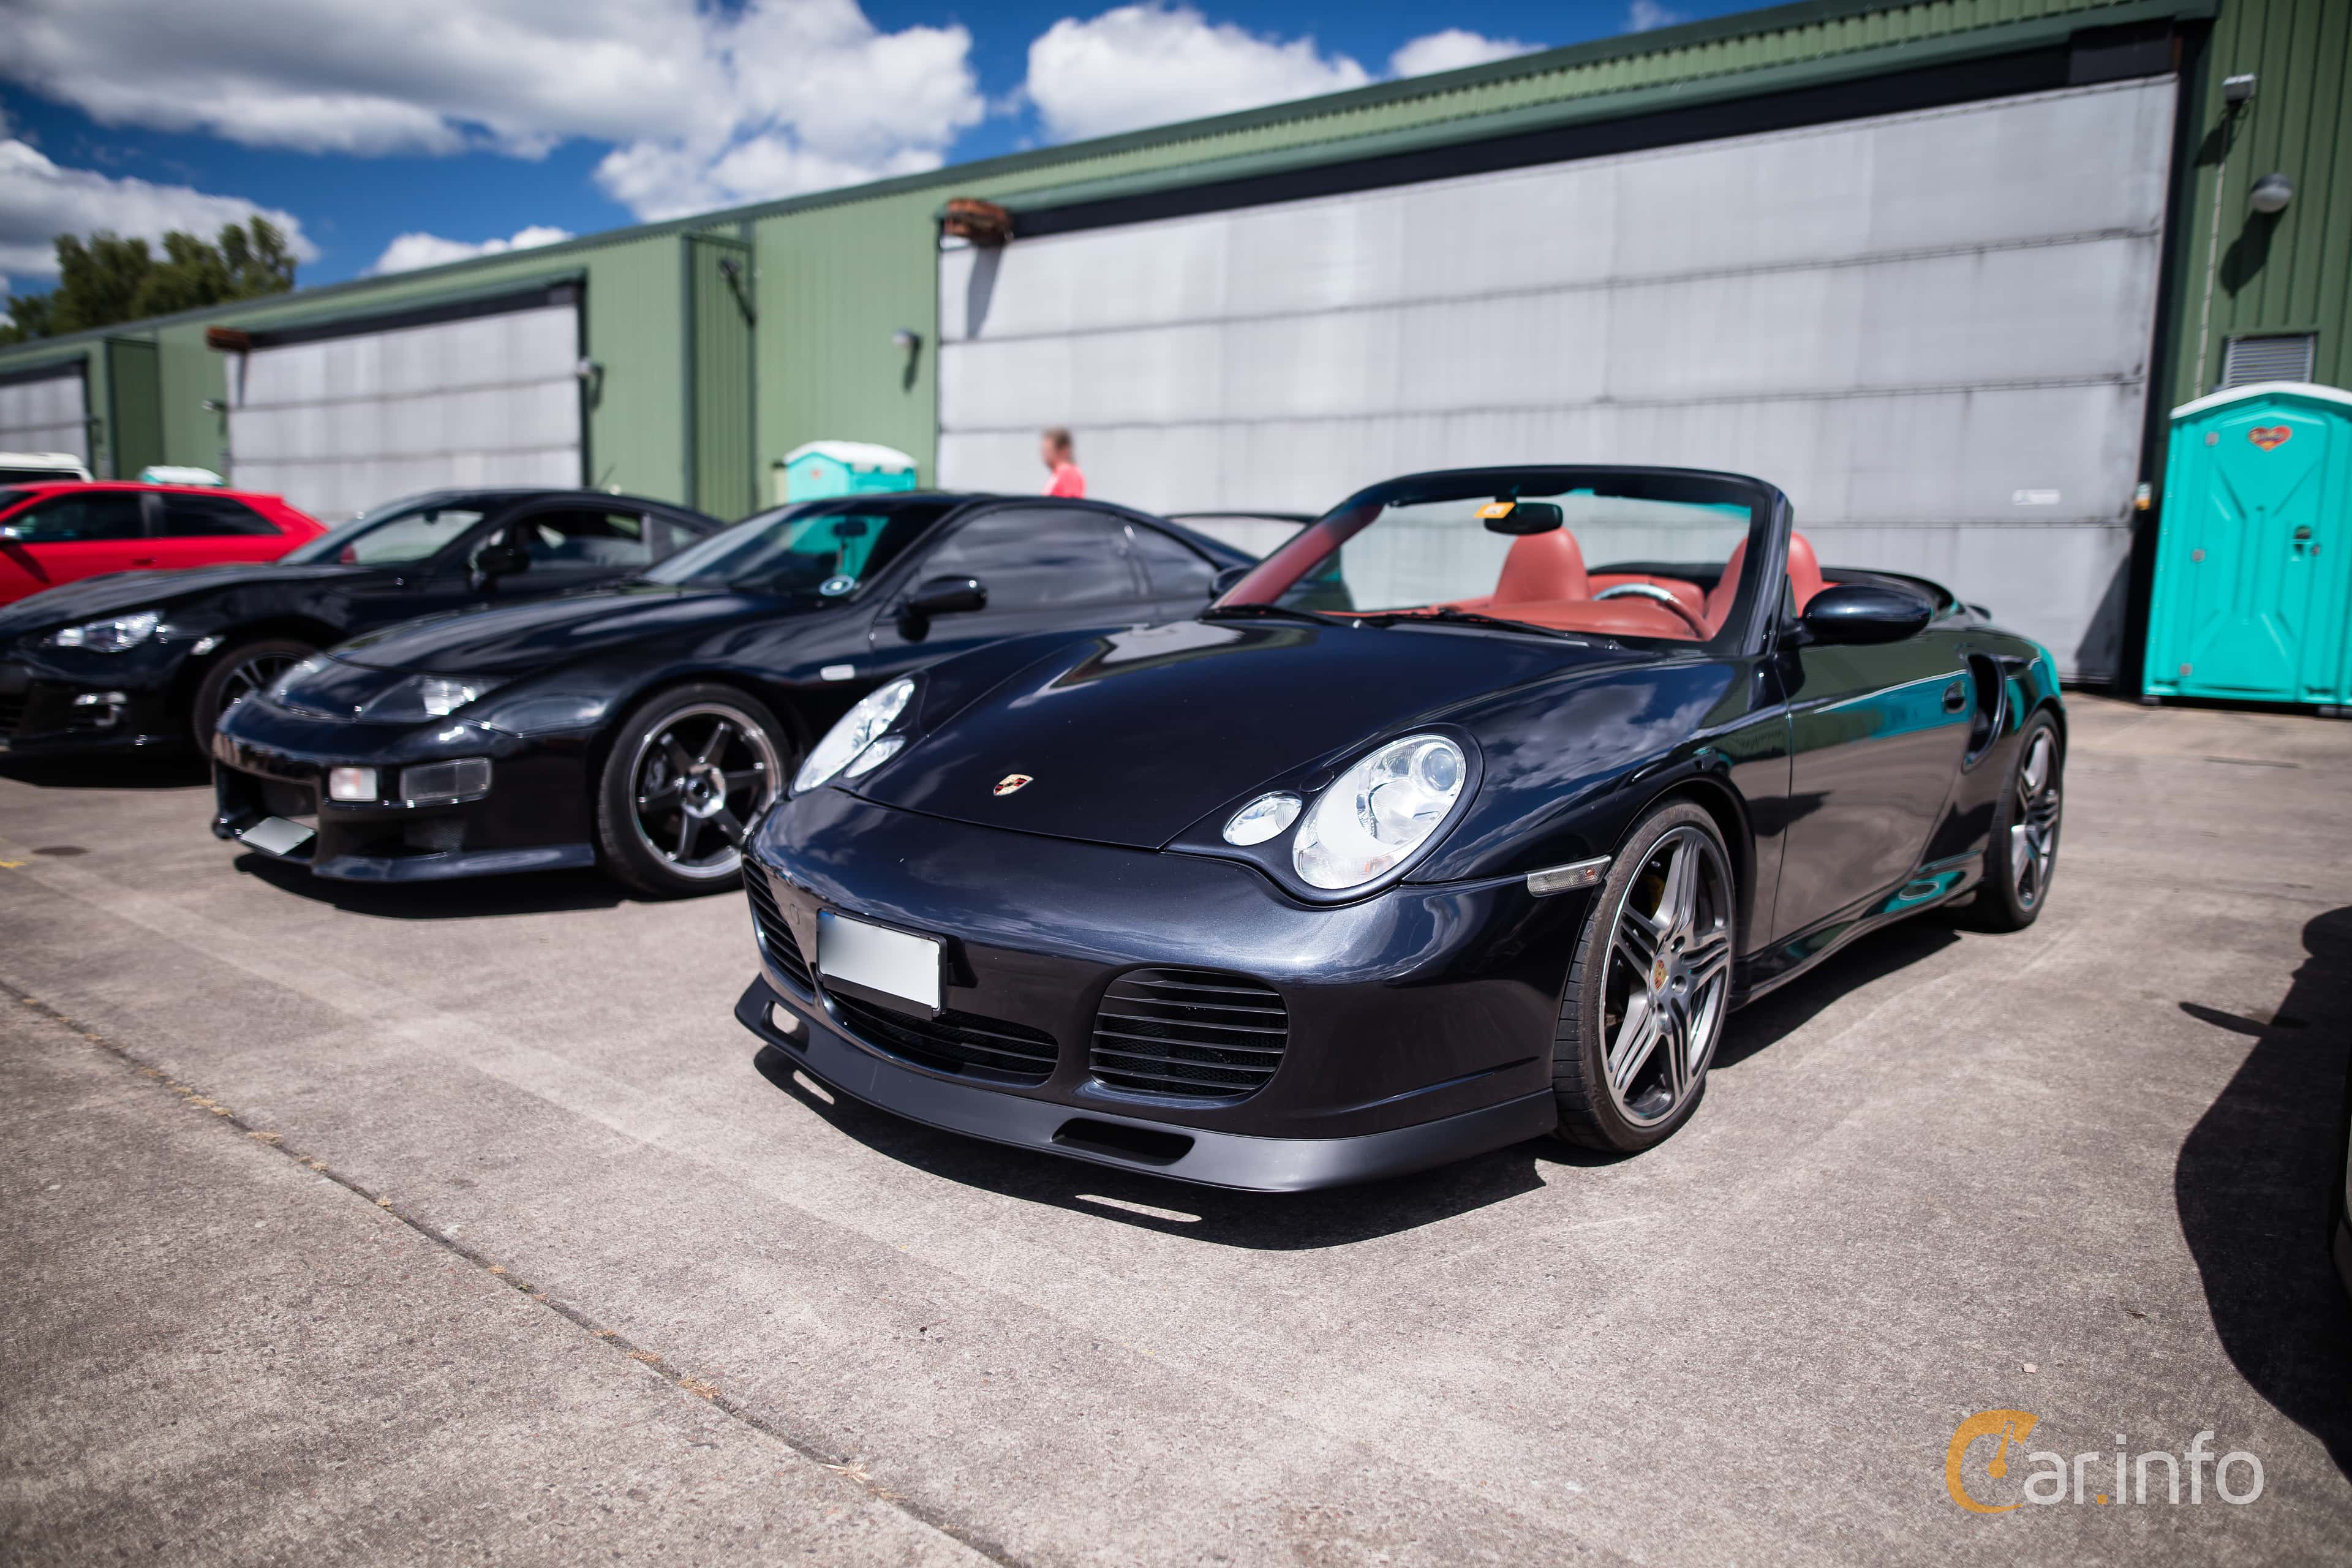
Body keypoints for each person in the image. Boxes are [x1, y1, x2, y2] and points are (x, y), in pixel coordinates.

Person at [1040, 427, 1085, 497]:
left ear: (1063, 450)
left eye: (1048, 451)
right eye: (1044, 451)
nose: (1045, 456)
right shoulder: (1058, 475)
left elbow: (1072, 502)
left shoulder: (1068, 473)